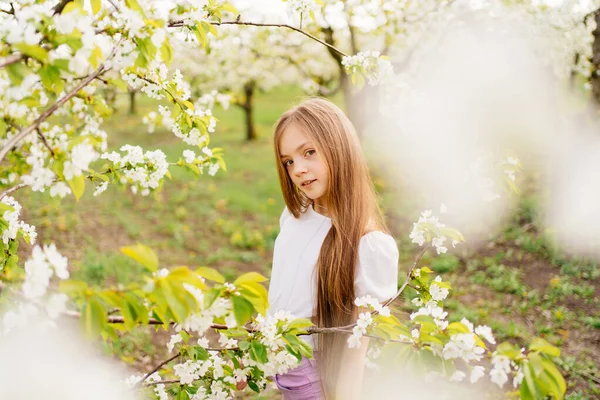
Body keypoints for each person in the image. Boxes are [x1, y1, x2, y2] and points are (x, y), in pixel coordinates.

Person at [268, 97, 399, 399]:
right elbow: (282, 293)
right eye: (288, 161)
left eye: (309, 152)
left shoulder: (368, 244)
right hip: (280, 363)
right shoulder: (294, 216)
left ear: (339, 149)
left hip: (318, 379)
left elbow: (357, 347)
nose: (298, 169)